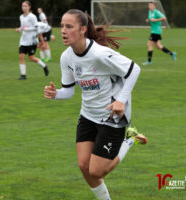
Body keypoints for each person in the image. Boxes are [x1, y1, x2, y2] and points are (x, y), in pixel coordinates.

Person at [44, 9, 147, 200]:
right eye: (61, 27)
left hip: (112, 117)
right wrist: (55, 94)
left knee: (97, 172)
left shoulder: (100, 54)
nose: (63, 31)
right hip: (88, 114)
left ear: (82, 29)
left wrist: (121, 100)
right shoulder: (66, 57)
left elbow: (134, 70)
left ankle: (128, 141)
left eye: (69, 26)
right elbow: (68, 91)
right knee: (84, 167)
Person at [16, 1, 49, 80]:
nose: (24, 7)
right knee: (21, 56)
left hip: (31, 40)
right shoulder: (21, 16)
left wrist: (26, 29)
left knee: (31, 58)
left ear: (29, 7)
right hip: (23, 40)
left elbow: (36, 27)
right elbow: (22, 26)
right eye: (23, 6)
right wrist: (19, 29)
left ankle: (44, 66)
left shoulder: (32, 16)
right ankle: (23, 75)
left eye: (25, 6)